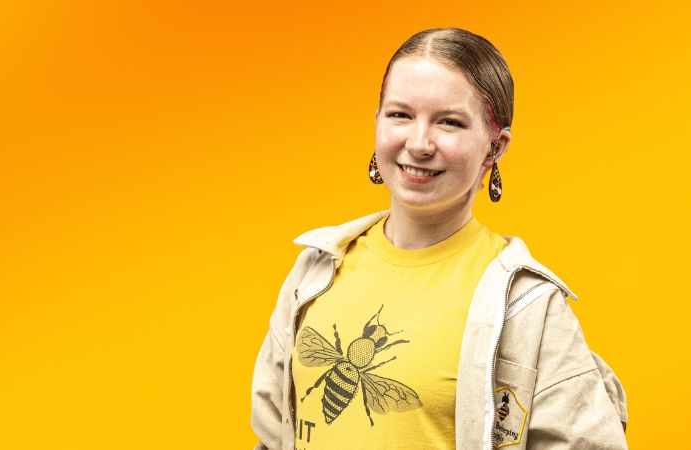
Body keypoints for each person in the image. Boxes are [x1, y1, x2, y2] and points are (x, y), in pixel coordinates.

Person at [251, 27, 628, 450]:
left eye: (449, 122)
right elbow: (273, 435)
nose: (419, 142)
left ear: (495, 147)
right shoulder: (316, 270)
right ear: (376, 121)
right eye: (400, 115)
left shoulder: (528, 305)